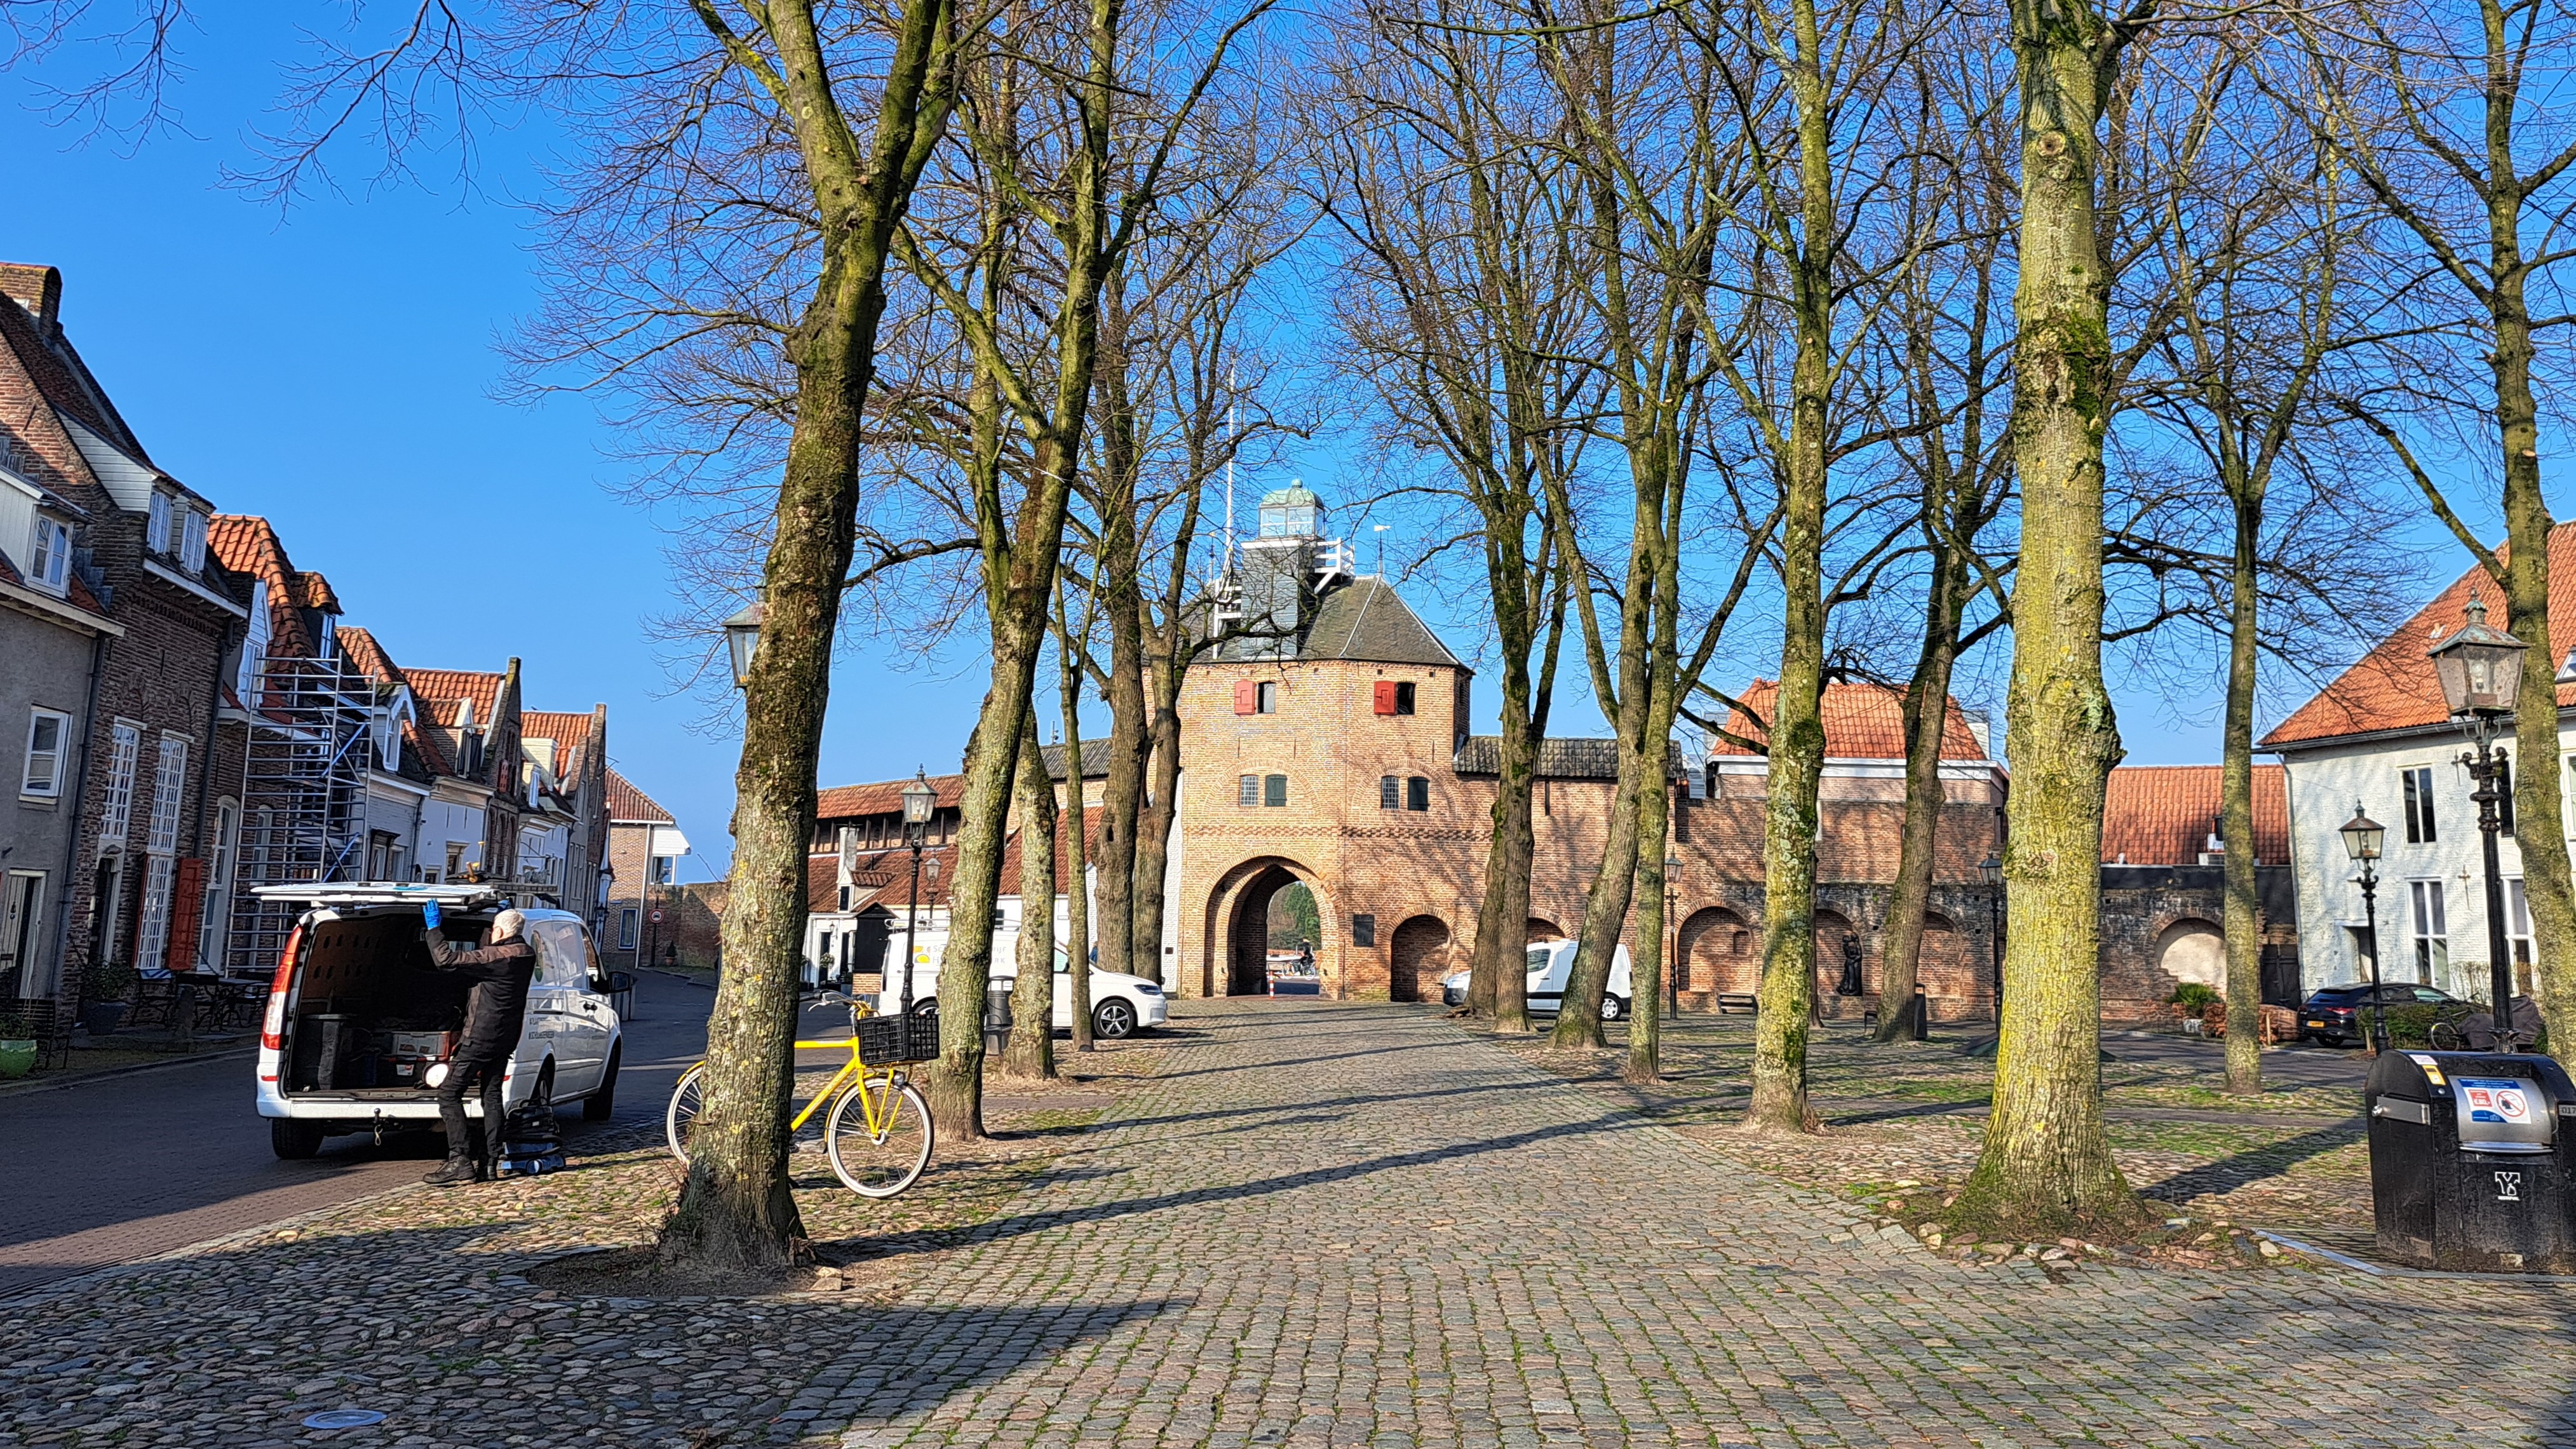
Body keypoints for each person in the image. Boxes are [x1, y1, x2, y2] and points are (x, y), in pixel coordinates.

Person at [419, 902, 537, 1186]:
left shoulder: (496, 957)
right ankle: (490, 1163)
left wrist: (434, 929)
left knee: (449, 1094)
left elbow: (445, 960)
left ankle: (459, 1160)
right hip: (506, 1037)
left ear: (499, 932)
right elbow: (492, 950)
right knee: (491, 1096)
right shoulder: (526, 953)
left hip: (481, 1037)